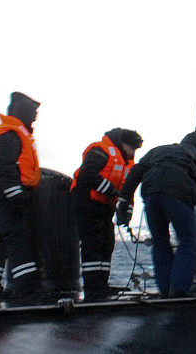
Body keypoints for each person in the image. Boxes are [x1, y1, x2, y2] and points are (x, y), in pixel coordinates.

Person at [116, 131, 196, 298]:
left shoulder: (158, 151)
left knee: (160, 242)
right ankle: (178, 290)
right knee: (188, 240)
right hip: (177, 194)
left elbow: (135, 172)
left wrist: (124, 203)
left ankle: (164, 291)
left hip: (151, 194)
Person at [0, 91, 43, 303]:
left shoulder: (11, 133)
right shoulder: (10, 135)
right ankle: (29, 291)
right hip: (6, 198)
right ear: (22, 112)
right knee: (19, 242)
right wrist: (16, 196)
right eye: (33, 112)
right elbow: (5, 168)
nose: (35, 117)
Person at [70, 127, 143, 300]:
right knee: (92, 245)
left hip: (104, 207)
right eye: (131, 147)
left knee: (106, 244)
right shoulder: (100, 151)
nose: (133, 152)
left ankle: (101, 285)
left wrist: (125, 214)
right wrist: (110, 191)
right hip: (86, 203)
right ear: (122, 143)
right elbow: (88, 175)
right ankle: (93, 288)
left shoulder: (127, 163)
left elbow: (127, 192)